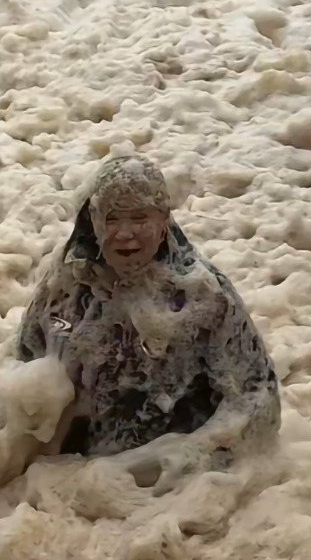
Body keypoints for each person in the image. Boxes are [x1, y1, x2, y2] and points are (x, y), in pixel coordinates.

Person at [16, 154, 280, 471]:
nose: (125, 233)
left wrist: (193, 451)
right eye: (112, 219)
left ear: (163, 222)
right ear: (94, 222)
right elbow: (24, 358)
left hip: (167, 479)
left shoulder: (203, 296)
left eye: (140, 218)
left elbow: (256, 395)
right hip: (75, 467)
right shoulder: (66, 285)